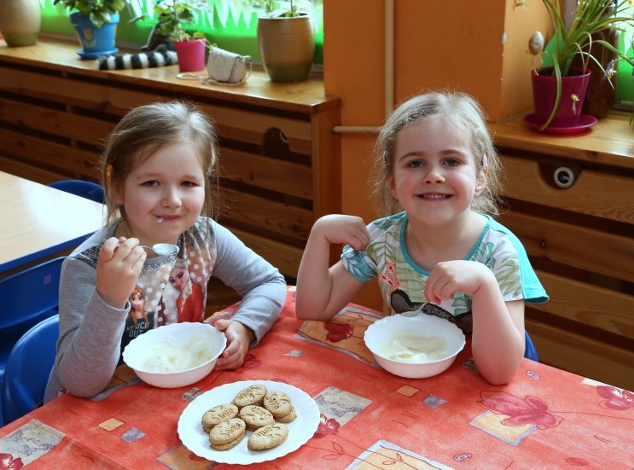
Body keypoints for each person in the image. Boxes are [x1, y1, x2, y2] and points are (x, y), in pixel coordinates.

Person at [295, 92, 548, 385]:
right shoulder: (383, 239)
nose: (434, 175)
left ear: (480, 175)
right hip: (409, 380)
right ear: (391, 180)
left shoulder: (499, 251)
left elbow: (500, 374)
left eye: (451, 161)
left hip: (480, 385)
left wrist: (484, 283)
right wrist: (320, 233)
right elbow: (312, 309)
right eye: (415, 163)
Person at [45, 101, 286, 402]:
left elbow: (269, 283)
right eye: (151, 183)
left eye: (188, 183)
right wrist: (109, 297)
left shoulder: (204, 236)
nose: (172, 199)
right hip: (96, 410)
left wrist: (244, 326)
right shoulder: (87, 266)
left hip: (169, 397)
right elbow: (81, 384)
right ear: (118, 187)